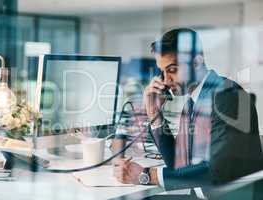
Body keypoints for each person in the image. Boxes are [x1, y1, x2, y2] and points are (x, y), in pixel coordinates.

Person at [113, 28, 263, 197]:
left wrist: (148, 175)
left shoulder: (228, 96)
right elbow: (178, 165)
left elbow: (216, 172)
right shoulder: (191, 104)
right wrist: (154, 113)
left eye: (172, 70)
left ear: (197, 63)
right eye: (162, 72)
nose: (166, 80)